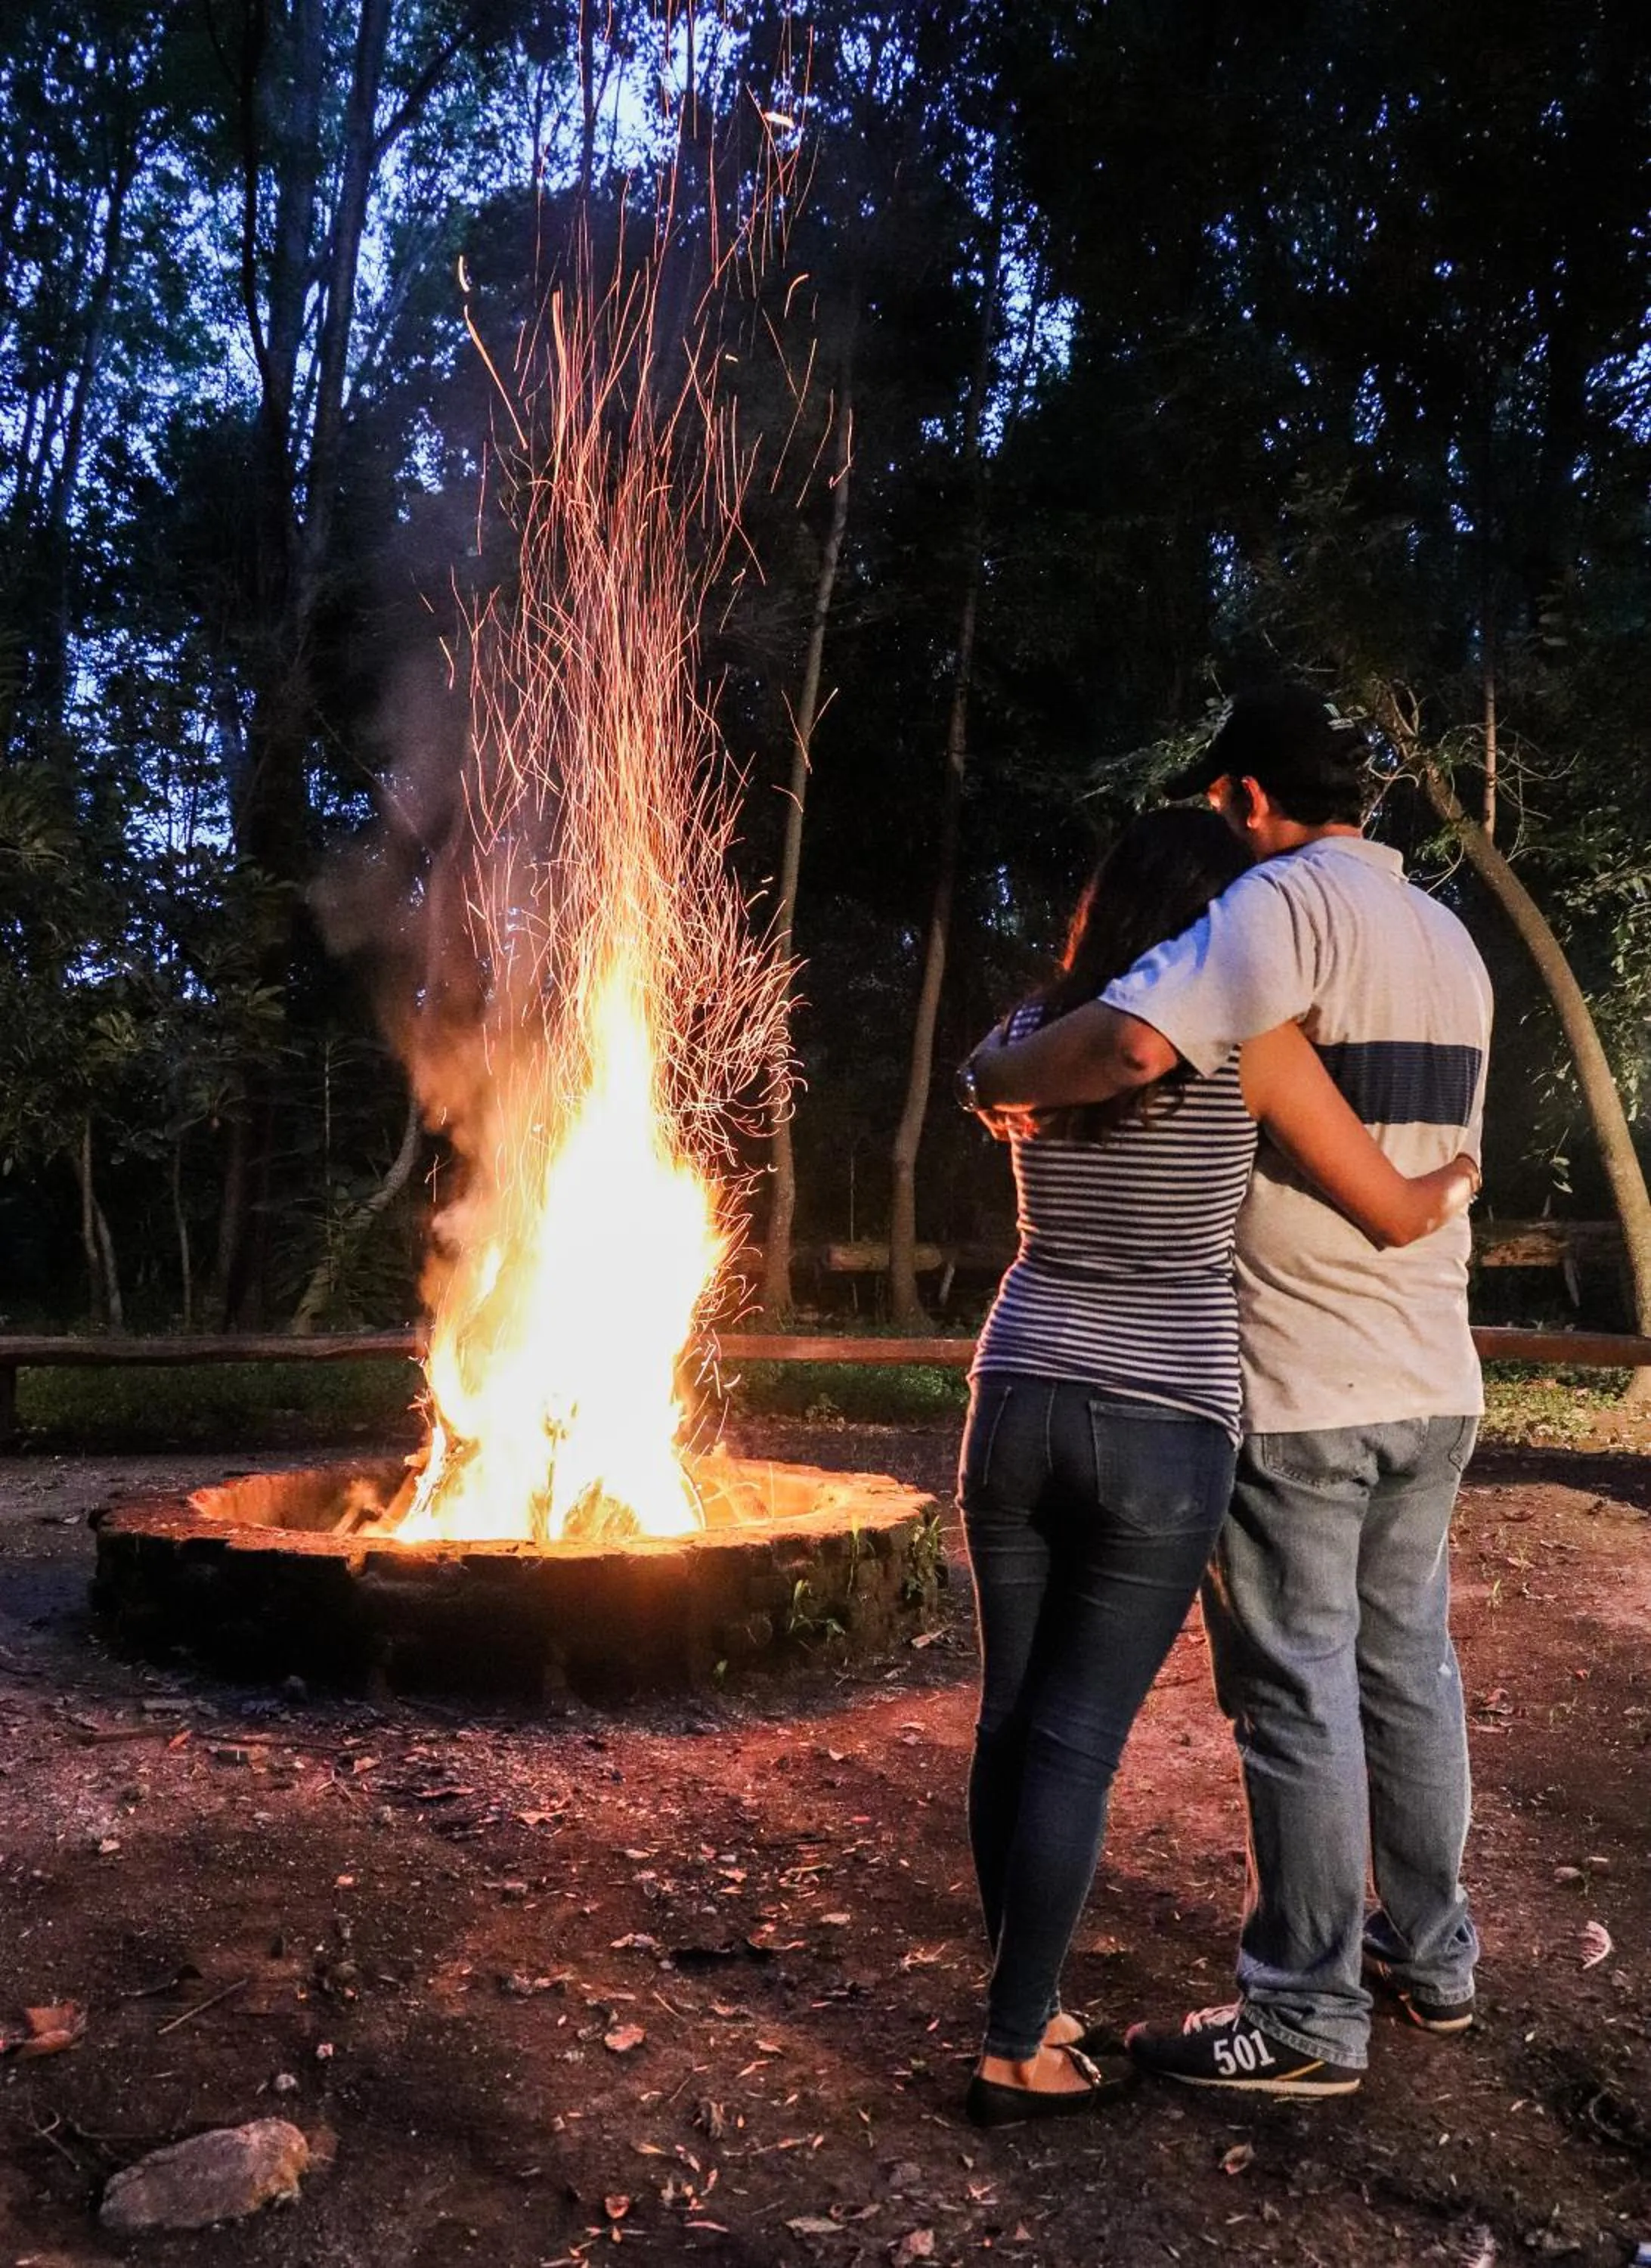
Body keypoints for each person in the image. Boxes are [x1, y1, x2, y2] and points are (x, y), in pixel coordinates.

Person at [966, 684, 1492, 2101]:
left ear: (1250, 798)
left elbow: (1130, 1046)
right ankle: (1431, 1957)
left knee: (1282, 1689)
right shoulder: (1448, 937)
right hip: (1423, 1368)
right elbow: (1397, 1182)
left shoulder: (1252, 930)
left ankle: (1293, 2012)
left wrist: (990, 1071)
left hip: (1275, 1373)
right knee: (1406, 1665)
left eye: (1226, 798)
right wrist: (1449, 1187)